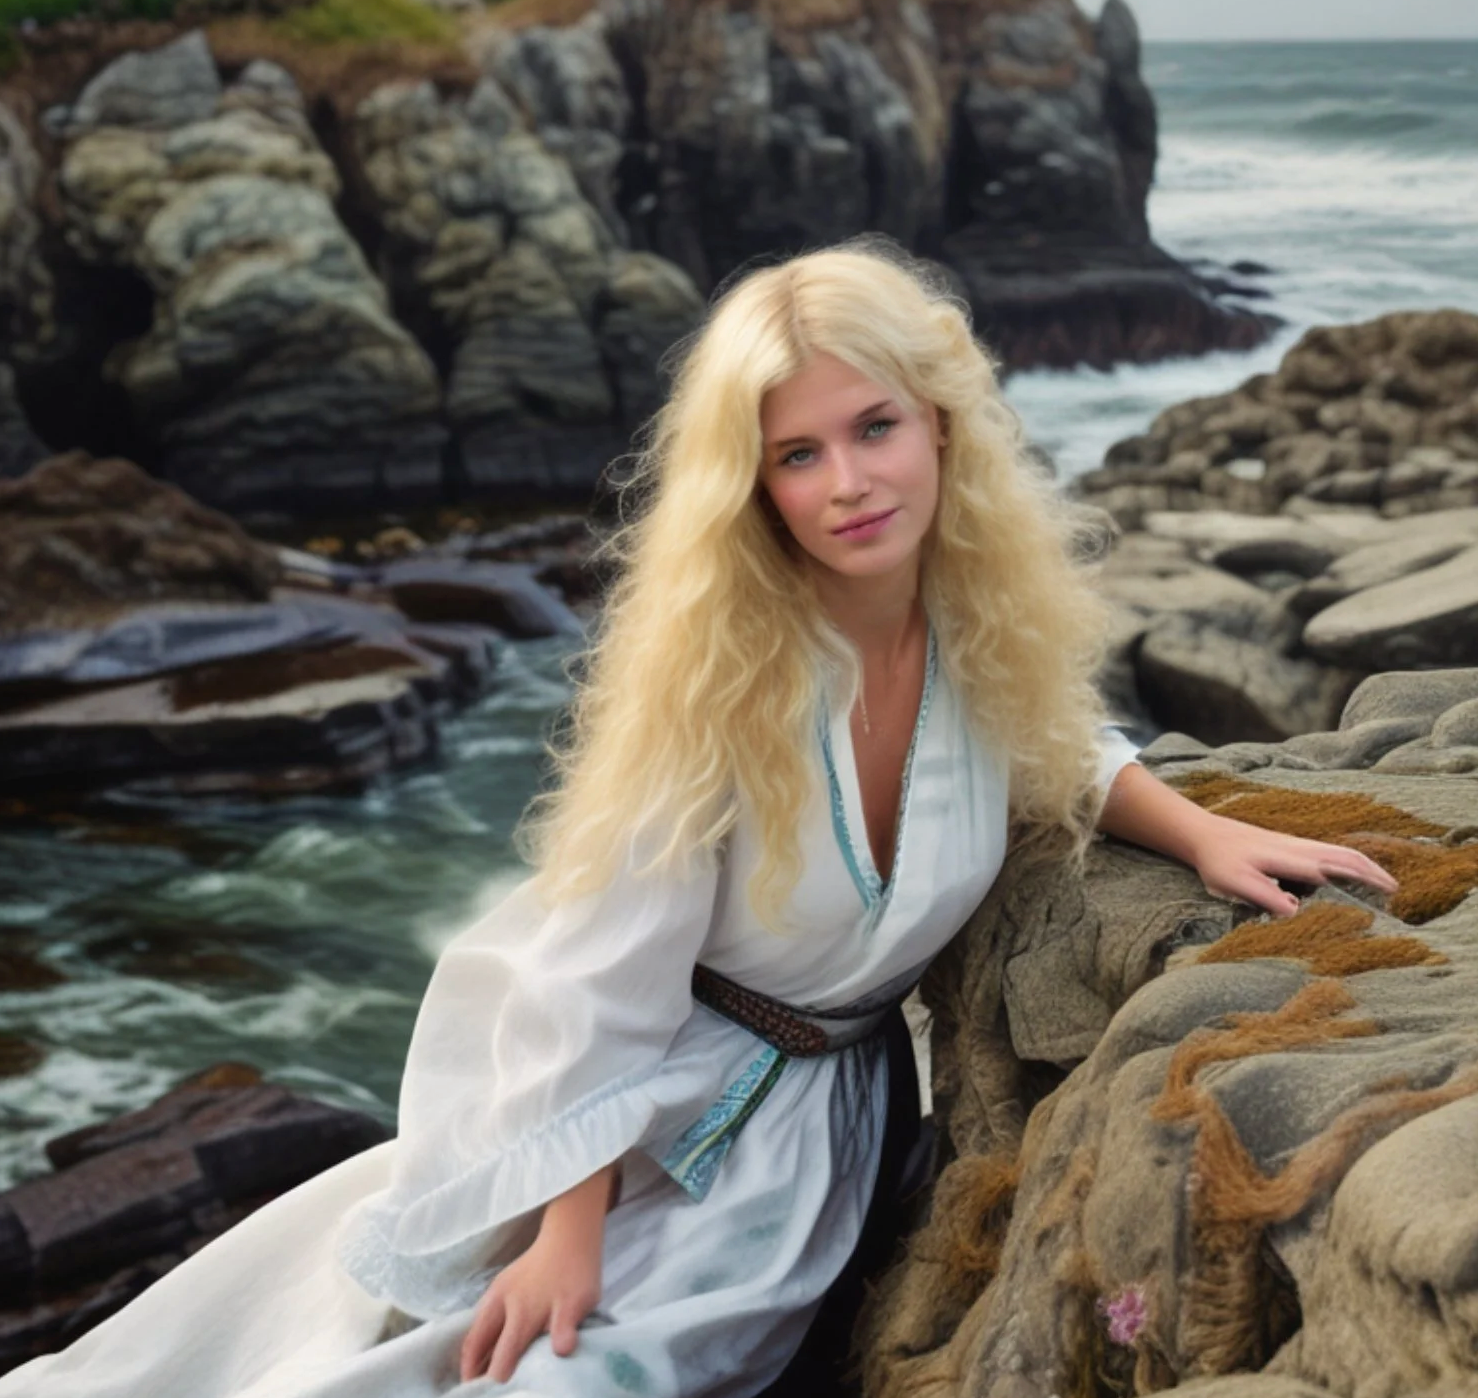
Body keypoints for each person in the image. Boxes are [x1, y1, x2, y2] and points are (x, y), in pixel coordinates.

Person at [1, 238, 1397, 1398]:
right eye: (797, 454)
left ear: (942, 429)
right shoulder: (722, 684)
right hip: (626, 1101)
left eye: (874, 429)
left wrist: (1202, 830)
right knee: (477, 1361)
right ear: (751, 483)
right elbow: (600, 975)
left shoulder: (976, 626)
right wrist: (565, 1229)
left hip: (815, 1118)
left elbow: (1055, 747)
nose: (847, 483)